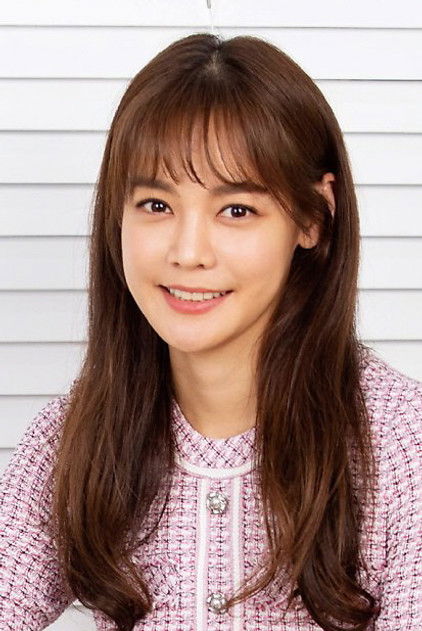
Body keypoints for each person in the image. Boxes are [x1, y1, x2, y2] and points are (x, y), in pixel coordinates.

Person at [0, 32, 421, 631]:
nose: (188, 252)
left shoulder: (400, 448)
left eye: (237, 210)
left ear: (313, 218)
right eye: (156, 205)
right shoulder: (70, 444)